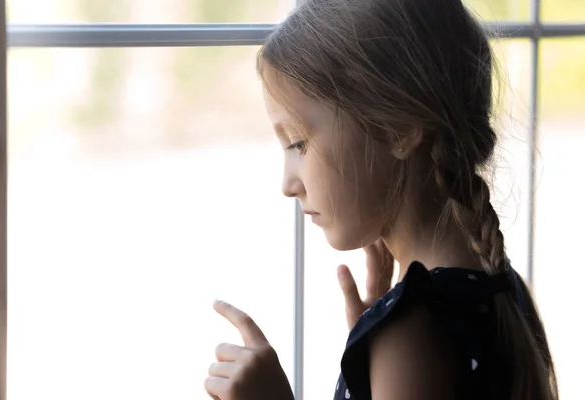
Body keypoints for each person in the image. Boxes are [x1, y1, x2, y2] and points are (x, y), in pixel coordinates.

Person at [204, 0, 558, 399]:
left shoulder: (412, 330)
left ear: (400, 130)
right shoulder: (499, 286)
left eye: (299, 142)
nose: (289, 185)